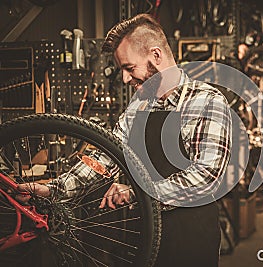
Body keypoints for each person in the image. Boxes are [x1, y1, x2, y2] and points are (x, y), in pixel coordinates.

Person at [18, 13, 232, 267]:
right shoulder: (139, 106)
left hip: (190, 241)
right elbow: (105, 157)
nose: (125, 79)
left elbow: (206, 178)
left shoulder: (207, 101)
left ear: (156, 55)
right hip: (142, 242)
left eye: (130, 68)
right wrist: (54, 189)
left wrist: (136, 193)